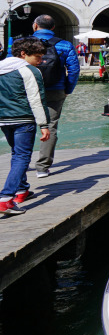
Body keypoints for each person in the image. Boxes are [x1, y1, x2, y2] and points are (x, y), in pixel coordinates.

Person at [0, 38, 51, 217]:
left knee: (16, 153)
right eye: (37, 57)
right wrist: (44, 125)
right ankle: (6, 198)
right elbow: (37, 100)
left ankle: (22, 190)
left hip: (4, 120)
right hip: (23, 119)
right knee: (22, 157)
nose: (41, 60)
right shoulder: (30, 71)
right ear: (23, 54)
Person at [30, 15, 79, 178]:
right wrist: (67, 89)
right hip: (56, 89)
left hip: (28, 90)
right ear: (53, 27)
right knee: (50, 126)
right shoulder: (65, 45)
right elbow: (74, 70)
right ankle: (42, 167)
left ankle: (21, 162)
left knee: (25, 125)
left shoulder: (23, 43)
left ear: (35, 26)